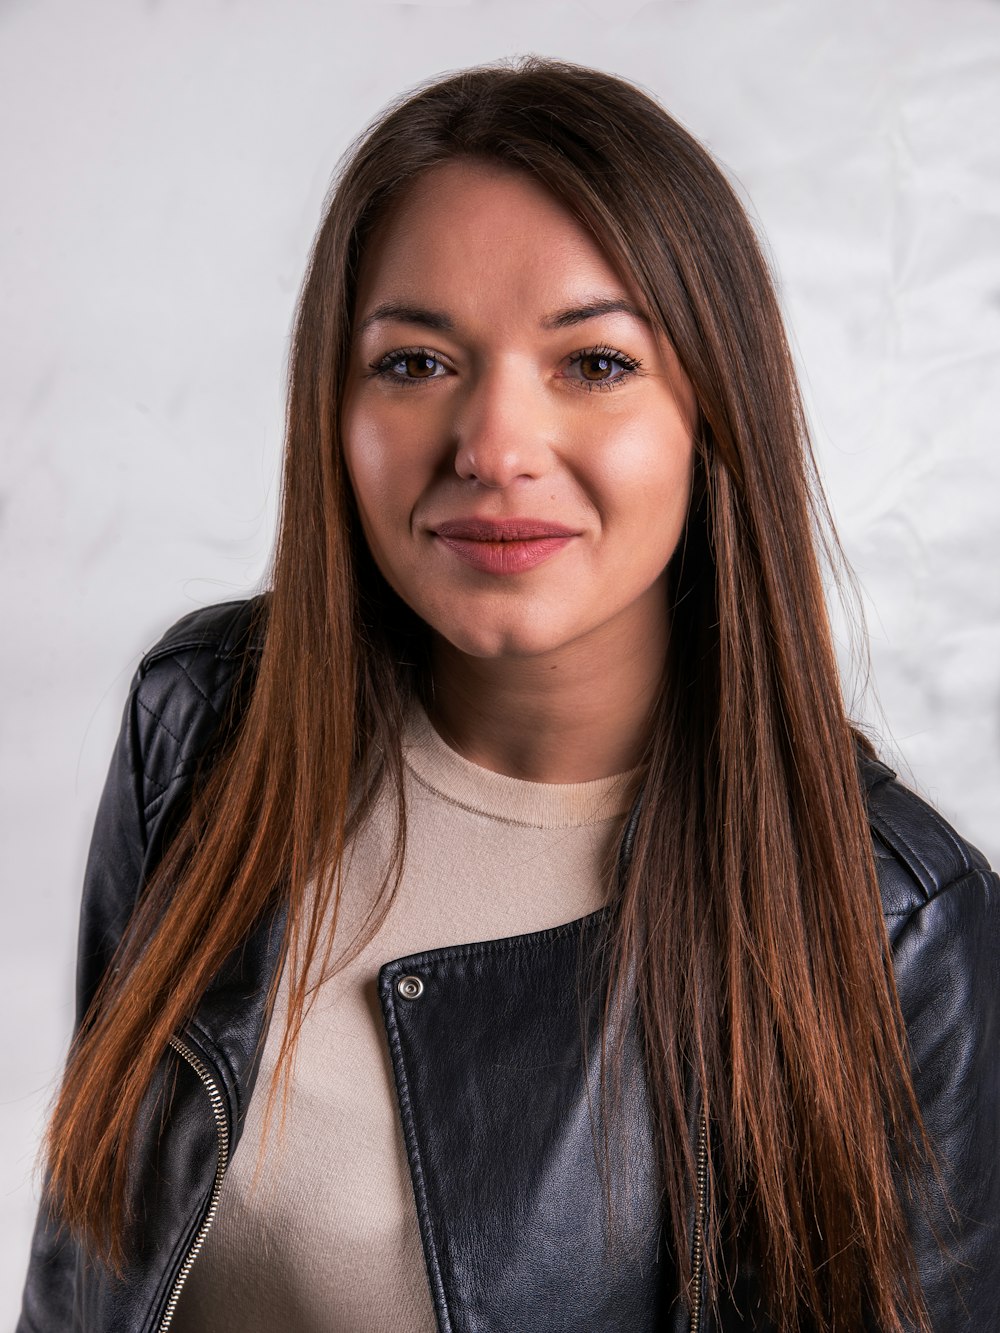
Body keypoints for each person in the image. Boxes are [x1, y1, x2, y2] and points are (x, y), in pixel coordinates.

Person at [19, 58, 999, 1333]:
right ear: (333, 405)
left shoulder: (894, 925)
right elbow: (80, 1274)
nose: (492, 446)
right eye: (416, 362)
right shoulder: (205, 727)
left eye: (592, 364)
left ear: (711, 417)